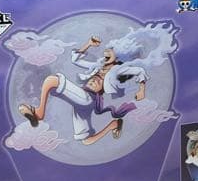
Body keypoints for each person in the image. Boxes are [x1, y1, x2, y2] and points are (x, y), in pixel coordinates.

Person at [18, 34, 147, 145]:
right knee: (86, 139)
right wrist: (88, 44)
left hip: (89, 98)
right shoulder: (98, 66)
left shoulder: (119, 70)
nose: (107, 52)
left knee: (52, 80)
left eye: (112, 51)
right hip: (84, 100)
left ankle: (40, 112)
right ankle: (113, 125)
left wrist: (141, 90)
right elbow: (75, 60)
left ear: (119, 56)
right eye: (108, 50)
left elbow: (140, 70)